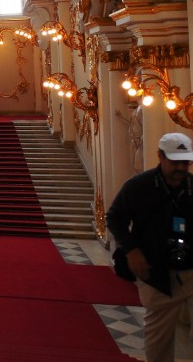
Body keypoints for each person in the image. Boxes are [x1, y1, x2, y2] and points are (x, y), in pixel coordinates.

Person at [106, 132, 193, 362]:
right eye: (175, 162)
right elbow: (115, 218)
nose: (181, 169)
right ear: (160, 157)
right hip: (156, 272)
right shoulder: (139, 186)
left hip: (191, 268)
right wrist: (132, 250)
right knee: (159, 340)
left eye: (186, 163)